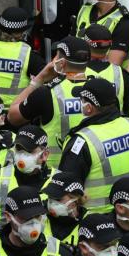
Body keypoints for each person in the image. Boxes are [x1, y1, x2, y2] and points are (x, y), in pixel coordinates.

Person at [58, 77, 129, 214]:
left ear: (89, 108)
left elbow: (65, 191)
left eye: (82, 100)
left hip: (94, 223)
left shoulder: (82, 141)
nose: (80, 103)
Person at [7, 36, 92, 169]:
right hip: (89, 167)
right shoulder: (100, 87)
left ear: (61, 63)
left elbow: (12, 116)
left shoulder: (48, 93)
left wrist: (39, 79)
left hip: (55, 171)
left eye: (56, 56)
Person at [74, 0, 129, 65]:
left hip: (99, 76)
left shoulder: (124, 23)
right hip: (76, 69)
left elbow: (112, 66)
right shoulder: (85, 8)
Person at [0, 7, 43, 108]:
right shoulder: (27, 53)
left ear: (0, 28)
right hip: (16, 112)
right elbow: (46, 76)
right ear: (22, 32)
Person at [42, 171, 86, 246]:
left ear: (75, 199)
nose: (51, 203)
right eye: (50, 197)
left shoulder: (88, 223)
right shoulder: (40, 216)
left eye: (58, 199)